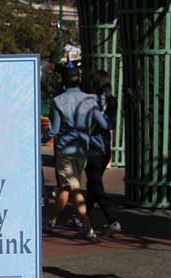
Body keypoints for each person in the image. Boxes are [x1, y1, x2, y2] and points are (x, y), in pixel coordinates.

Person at [42, 64, 112, 239]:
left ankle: (88, 228)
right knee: (67, 187)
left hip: (65, 150)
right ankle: (51, 222)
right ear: (79, 79)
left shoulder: (58, 101)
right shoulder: (90, 100)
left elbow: (53, 130)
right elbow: (104, 124)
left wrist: (39, 140)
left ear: (64, 81)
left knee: (73, 189)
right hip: (82, 150)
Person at [85, 70, 121, 233]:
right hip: (106, 148)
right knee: (93, 184)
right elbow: (110, 124)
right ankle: (82, 216)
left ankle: (112, 220)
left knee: (96, 186)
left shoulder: (89, 102)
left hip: (92, 148)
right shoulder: (112, 101)